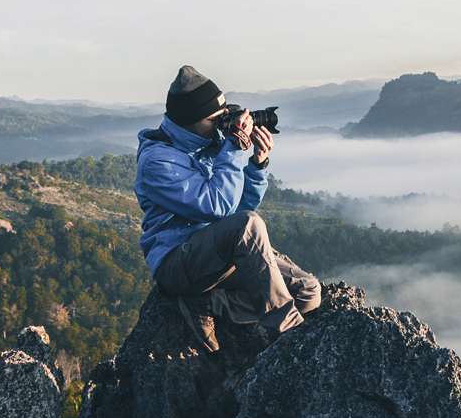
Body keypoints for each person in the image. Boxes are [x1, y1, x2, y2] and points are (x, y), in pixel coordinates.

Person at [134, 65, 321, 353]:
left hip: (218, 256)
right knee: (249, 224)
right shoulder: (158, 161)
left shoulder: (210, 143)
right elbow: (218, 208)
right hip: (178, 262)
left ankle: (211, 303)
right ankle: (288, 336)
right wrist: (233, 148)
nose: (222, 124)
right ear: (190, 120)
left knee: (308, 292)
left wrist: (257, 165)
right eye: (215, 119)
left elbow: (238, 209)